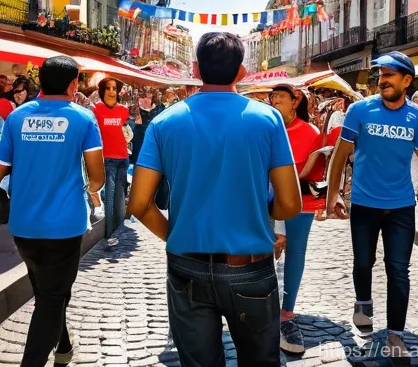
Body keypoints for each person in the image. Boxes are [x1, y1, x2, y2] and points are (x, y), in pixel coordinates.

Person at [128, 32, 302, 366]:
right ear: (242, 72)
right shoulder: (267, 119)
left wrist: (174, 234)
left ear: (196, 67)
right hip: (250, 263)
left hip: (186, 262)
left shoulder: (164, 121)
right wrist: (263, 217)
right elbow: (290, 204)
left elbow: (138, 204)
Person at [326, 51, 418, 360]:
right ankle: (363, 303)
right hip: (364, 204)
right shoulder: (359, 110)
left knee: (399, 271)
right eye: (381, 75)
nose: (383, 80)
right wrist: (333, 195)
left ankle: (396, 335)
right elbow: (340, 155)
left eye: (390, 75)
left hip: (401, 206)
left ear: (407, 80)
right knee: (363, 262)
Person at [0, 55, 105, 367]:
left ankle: (64, 345)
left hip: (24, 225)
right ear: (72, 84)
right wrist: (90, 190)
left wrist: (10, 201)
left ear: (40, 81)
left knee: (48, 292)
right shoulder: (83, 118)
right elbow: (97, 176)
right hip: (65, 224)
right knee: (52, 297)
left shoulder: (16, 117)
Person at [268, 84, 323, 354]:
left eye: (281, 97)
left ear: (294, 102)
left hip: (301, 202)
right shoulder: (265, 127)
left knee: (295, 253)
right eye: (273, 97)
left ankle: (287, 310)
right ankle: (263, 304)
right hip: (267, 201)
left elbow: (315, 172)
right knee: (266, 251)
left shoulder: (310, 132)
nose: (276, 100)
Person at [92, 77, 130, 246]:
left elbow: (127, 131)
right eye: (108, 88)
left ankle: (119, 231)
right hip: (107, 158)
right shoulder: (96, 110)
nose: (112, 91)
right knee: (110, 196)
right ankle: (109, 234)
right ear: (102, 91)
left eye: (114, 88)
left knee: (120, 197)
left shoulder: (124, 110)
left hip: (123, 157)